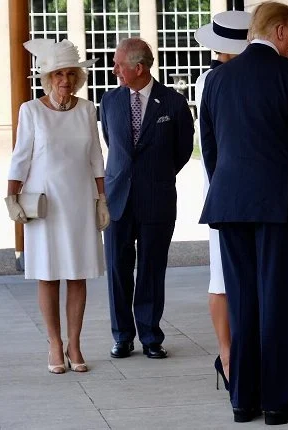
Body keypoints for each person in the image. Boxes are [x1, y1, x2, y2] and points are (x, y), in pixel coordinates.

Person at [199, 1, 288, 425]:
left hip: (229, 203)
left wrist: (228, 188)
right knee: (276, 299)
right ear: (277, 31)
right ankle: (278, 404)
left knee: (241, 301)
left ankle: (243, 401)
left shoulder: (218, 79)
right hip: (278, 205)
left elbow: (210, 145)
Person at [6, 38, 107, 374]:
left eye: (70, 73)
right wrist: (12, 197)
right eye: (57, 74)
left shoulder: (88, 109)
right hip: (45, 204)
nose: (64, 79)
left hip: (79, 201)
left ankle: (75, 344)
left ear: (77, 77)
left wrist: (102, 199)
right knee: (48, 276)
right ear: (47, 78)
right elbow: (20, 158)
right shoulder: (30, 110)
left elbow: (96, 157)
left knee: (77, 275)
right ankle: (54, 343)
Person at [100, 38, 194, 360]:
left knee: (152, 269)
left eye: (119, 65)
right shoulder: (109, 101)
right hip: (117, 200)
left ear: (139, 68)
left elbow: (182, 151)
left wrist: (157, 176)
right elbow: (113, 143)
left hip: (158, 199)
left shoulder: (173, 103)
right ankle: (122, 336)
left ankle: (151, 336)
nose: (114, 70)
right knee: (117, 269)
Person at [194, 9, 252, 392]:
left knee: (237, 275)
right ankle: (228, 355)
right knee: (221, 274)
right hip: (223, 186)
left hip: (232, 186)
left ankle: (238, 352)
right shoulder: (209, 80)